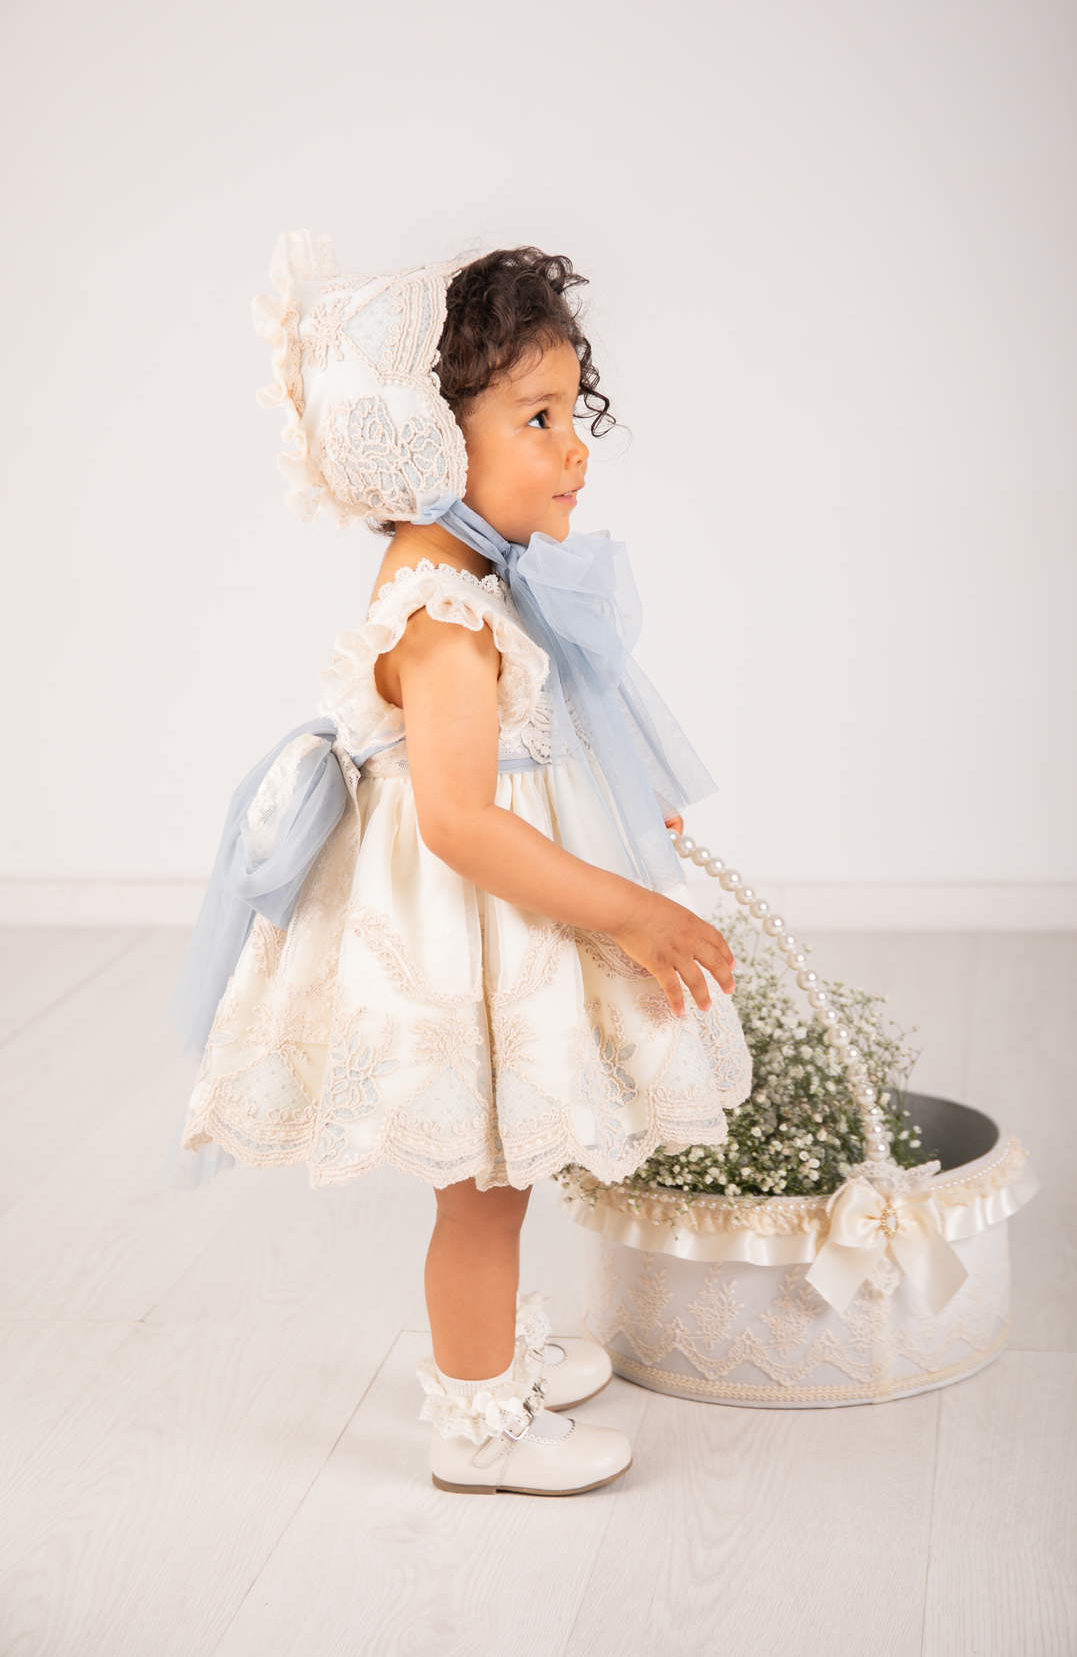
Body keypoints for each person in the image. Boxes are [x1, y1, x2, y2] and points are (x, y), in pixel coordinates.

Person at [172, 235, 752, 1495]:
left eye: (572, 414)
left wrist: (620, 815)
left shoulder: (471, 580)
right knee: (483, 1188)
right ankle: (478, 1421)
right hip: (459, 949)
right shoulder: (442, 618)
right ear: (431, 448)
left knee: (503, 1181)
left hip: (495, 930)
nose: (573, 449)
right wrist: (630, 911)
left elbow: (535, 762)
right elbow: (462, 823)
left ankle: (492, 1355)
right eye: (537, 419)